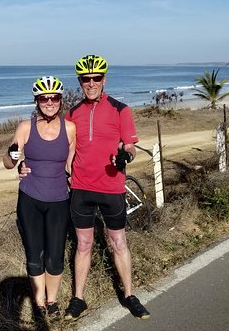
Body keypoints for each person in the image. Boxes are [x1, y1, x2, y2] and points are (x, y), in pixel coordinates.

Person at [21, 55, 150, 320]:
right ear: (79, 82)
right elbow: (62, 149)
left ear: (105, 79)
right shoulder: (72, 114)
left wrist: (126, 156)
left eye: (96, 78)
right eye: (85, 79)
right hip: (80, 189)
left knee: (118, 242)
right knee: (83, 245)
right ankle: (79, 299)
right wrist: (28, 167)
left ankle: (129, 295)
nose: (91, 83)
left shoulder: (120, 109)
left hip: (112, 187)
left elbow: (130, 146)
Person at [3, 76, 76, 321]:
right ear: (37, 101)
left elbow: (70, 164)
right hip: (30, 199)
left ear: (60, 100)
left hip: (59, 200)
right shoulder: (25, 127)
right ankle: (39, 303)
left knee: (55, 256)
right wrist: (16, 161)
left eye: (54, 97)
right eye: (44, 98)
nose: (49, 102)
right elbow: (8, 161)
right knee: (35, 256)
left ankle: (52, 301)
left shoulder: (69, 128)